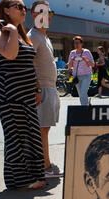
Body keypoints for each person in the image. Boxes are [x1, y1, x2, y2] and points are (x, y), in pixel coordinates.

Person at [0, 0, 45, 189]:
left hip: (27, 93)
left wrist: (36, 88)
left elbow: (30, 64)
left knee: (30, 135)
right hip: (10, 93)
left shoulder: (23, 36)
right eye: (19, 7)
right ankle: (20, 180)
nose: (24, 10)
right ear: (6, 10)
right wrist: (12, 30)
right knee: (16, 135)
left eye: (24, 7)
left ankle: (31, 175)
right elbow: (10, 55)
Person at [28, 0, 61, 178]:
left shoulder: (44, 37)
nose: (46, 16)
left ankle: (45, 163)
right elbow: (28, 63)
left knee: (45, 127)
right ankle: (44, 166)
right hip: (42, 88)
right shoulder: (33, 35)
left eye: (49, 13)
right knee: (42, 128)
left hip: (50, 87)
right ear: (33, 15)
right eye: (42, 12)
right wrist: (36, 89)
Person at [67, 35, 95, 106]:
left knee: (83, 93)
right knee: (81, 94)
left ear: (81, 44)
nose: (76, 45)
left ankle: (84, 109)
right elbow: (69, 67)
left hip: (86, 75)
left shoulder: (86, 52)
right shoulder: (72, 53)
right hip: (76, 76)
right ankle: (87, 105)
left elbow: (93, 65)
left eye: (78, 43)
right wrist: (72, 60)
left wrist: (86, 60)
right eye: (75, 43)